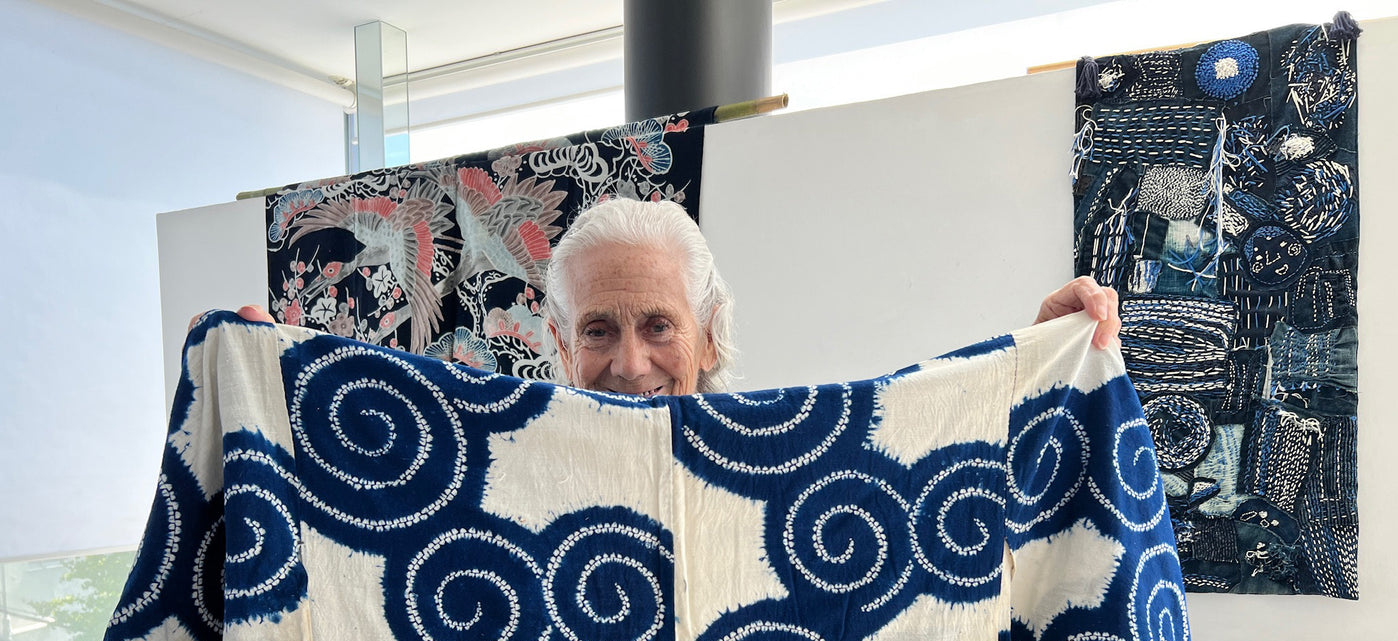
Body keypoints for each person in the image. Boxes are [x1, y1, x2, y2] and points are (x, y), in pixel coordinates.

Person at [235, 197, 1120, 391]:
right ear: (552, 340)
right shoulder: (493, 474)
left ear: (707, 332)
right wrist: (282, 403)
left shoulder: (792, 468)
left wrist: (1042, 368)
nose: (630, 362)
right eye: (596, 331)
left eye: (658, 324)